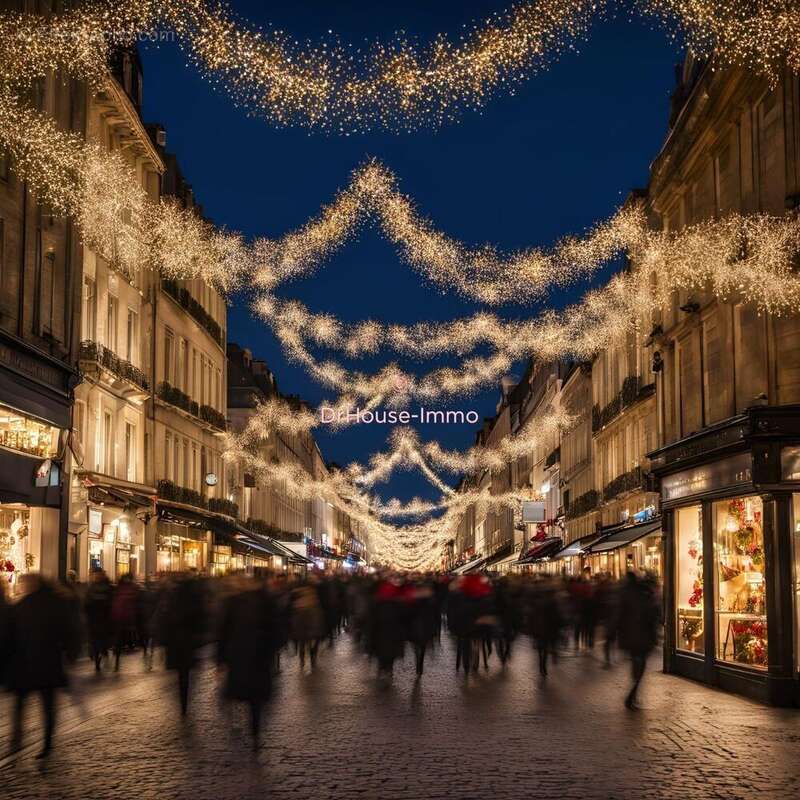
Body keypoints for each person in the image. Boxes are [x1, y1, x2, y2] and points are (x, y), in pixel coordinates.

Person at [4, 574, 80, 758]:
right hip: (46, 661)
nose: (22, 586)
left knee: (25, 703)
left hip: (25, 663)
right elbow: (70, 631)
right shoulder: (56, 604)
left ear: (34, 584)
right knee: (45, 704)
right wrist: (71, 654)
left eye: (24, 583)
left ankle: (21, 741)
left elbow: (8, 635)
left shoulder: (21, 606)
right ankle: (43, 741)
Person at [217, 577, 278, 750]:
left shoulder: (234, 602)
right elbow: (275, 631)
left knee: (239, 692)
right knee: (255, 699)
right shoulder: (267, 602)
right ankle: (255, 731)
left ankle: (242, 723)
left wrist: (221, 658)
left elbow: (223, 632)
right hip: (258, 657)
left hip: (240, 656)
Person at [159, 573, 206, 717]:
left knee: (181, 674)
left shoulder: (171, 598)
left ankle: (182, 702)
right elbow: (201, 620)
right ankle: (184, 700)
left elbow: (165, 620)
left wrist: (164, 641)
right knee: (185, 674)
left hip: (175, 642)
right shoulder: (194, 598)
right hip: (189, 642)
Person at [617, 571, 661, 709]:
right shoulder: (644, 595)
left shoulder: (625, 594)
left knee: (637, 663)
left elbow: (619, 616)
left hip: (632, 636)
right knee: (640, 664)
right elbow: (652, 615)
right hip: (643, 636)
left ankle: (633, 693)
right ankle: (632, 694)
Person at [84, 568, 113, 672]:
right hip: (94, 618)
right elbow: (86, 603)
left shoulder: (106, 587)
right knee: (95, 639)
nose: (96, 577)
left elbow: (111, 603)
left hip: (103, 618)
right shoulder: (92, 587)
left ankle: (101, 654)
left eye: (98, 575)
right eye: (95, 575)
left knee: (101, 638)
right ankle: (97, 656)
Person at [111, 572, 140, 671]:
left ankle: (119, 653)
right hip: (121, 616)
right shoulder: (129, 588)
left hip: (124, 616)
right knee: (120, 637)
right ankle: (118, 654)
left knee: (121, 636)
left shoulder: (122, 588)